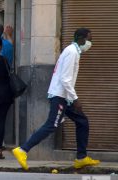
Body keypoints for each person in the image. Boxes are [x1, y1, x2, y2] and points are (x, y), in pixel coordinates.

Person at [12, 28, 100, 170]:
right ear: (82, 39)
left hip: (64, 96)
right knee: (51, 125)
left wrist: (71, 98)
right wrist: (75, 98)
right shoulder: (72, 52)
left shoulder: (73, 51)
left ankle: (81, 158)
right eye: (90, 39)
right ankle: (22, 150)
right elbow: (65, 79)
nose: (91, 42)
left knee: (82, 122)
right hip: (60, 96)